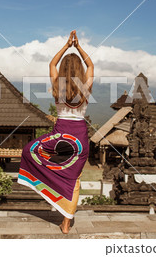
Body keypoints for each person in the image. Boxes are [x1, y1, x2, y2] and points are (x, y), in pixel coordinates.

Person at [18, 30, 94, 234]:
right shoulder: (86, 87)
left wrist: (66, 45)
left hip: (60, 136)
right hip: (79, 140)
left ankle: (50, 191)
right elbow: (91, 65)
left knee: (29, 151)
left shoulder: (57, 85)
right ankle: (66, 222)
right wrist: (78, 47)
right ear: (80, 70)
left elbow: (52, 64)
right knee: (74, 180)